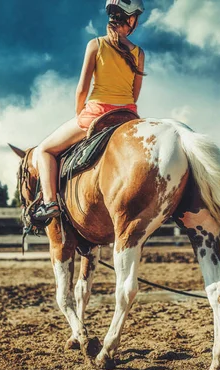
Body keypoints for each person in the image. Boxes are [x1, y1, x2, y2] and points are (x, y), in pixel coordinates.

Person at [33, 0, 146, 220]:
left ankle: (50, 203)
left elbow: (81, 89)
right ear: (131, 19)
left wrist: (79, 116)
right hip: (127, 117)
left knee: (44, 150)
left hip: (97, 113)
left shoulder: (96, 45)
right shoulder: (139, 53)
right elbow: (135, 94)